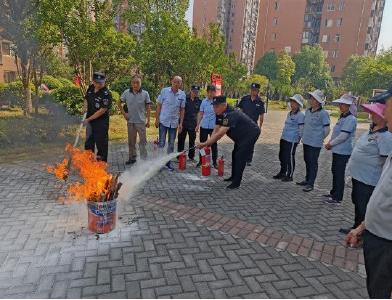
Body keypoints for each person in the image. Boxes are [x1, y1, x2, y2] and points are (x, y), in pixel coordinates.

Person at [345, 86, 392, 299]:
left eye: (386, 106)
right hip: (376, 234)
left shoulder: (387, 139)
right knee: (376, 289)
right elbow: (384, 192)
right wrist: (362, 228)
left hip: (387, 242)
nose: (379, 113)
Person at [341, 102, 392, 234]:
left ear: (383, 117)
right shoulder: (372, 130)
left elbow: (385, 160)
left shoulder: (386, 136)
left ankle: (362, 233)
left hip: (369, 179)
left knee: (364, 206)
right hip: (358, 176)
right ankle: (356, 227)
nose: (372, 115)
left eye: (375, 113)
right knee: (357, 203)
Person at [196, 96, 260, 189]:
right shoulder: (219, 112)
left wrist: (205, 144)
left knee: (240, 156)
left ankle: (236, 182)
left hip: (250, 134)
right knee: (235, 154)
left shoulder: (231, 114)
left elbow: (220, 133)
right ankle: (233, 177)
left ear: (223, 105)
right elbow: (216, 129)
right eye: (213, 106)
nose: (214, 109)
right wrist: (208, 142)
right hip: (240, 136)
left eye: (216, 107)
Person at [323, 94, 357, 204]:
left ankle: (337, 197)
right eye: (340, 104)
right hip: (338, 150)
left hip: (343, 151)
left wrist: (330, 144)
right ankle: (334, 192)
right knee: (335, 171)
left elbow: (343, 136)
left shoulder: (350, 119)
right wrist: (330, 143)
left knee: (339, 173)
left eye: (343, 104)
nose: (340, 106)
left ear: (349, 106)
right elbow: (336, 133)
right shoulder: (343, 116)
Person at [297, 89, 330, 192]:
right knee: (307, 160)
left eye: (313, 98)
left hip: (315, 143)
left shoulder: (323, 113)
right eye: (310, 98)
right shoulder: (308, 111)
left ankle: (311, 183)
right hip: (306, 141)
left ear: (318, 101)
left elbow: (327, 130)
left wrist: (319, 138)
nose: (310, 100)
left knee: (312, 162)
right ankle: (307, 180)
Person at [118, 75, 151, 165]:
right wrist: (124, 114)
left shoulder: (145, 93)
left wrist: (148, 120)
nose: (135, 84)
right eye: (134, 82)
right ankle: (132, 158)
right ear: (131, 83)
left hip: (141, 122)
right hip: (131, 121)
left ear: (141, 83)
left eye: (137, 83)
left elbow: (148, 108)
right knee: (131, 142)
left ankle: (144, 160)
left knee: (143, 142)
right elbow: (119, 103)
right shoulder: (126, 92)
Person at [155, 76, 186, 171]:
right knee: (161, 143)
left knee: (171, 144)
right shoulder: (164, 91)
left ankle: (168, 163)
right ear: (171, 82)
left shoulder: (182, 94)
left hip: (174, 123)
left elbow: (182, 109)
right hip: (163, 121)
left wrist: (181, 123)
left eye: (179, 82)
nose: (176, 84)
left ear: (181, 84)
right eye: (175, 82)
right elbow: (159, 105)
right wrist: (157, 119)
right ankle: (159, 164)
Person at [273, 94, 305, 182]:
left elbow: (301, 129)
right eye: (291, 102)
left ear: (298, 104)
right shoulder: (289, 113)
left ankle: (290, 175)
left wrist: (298, 139)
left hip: (292, 140)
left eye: (294, 102)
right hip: (284, 137)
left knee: (289, 157)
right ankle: (282, 172)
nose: (292, 104)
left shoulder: (300, 115)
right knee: (282, 156)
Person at [83, 72, 112, 162]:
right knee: (89, 143)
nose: (99, 84)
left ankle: (101, 166)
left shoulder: (106, 94)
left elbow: (102, 111)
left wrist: (88, 119)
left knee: (101, 144)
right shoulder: (91, 88)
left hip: (101, 123)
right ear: (93, 81)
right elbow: (86, 98)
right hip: (90, 122)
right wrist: (84, 106)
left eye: (101, 82)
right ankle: (89, 163)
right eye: (97, 82)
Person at [237, 83, 265, 165]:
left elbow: (261, 115)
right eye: (252, 90)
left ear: (258, 91)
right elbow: (240, 109)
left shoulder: (260, 102)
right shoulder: (245, 99)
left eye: (255, 90)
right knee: (240, 142)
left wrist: (260, 127)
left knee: (250, 143)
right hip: (243, 124)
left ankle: (248, 159)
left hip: (253, 126)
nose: (253, 91)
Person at [177, 85, 202, 162]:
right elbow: (180, 110)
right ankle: (179, 156)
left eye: (197, 92)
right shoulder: (184, 98)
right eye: (194, 91)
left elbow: (199, 114)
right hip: (183, 123)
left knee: (192, 141)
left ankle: (191, 156)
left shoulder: (199, 101)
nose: (195, 93)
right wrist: (180, 124)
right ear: (191, 90)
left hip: (193, 124)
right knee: (181, 140)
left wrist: (198, 125)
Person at [196, 85, 218, 168]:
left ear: (215, 92)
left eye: (213, 92)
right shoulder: (204, 102)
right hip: (204, 126)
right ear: (207, 92)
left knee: (214, 145)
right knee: (202, 144)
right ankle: (201, 161)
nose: (211, 94)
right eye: (209, 92)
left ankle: (215, 162)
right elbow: (201, 113)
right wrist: (197, 125)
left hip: (213, 127)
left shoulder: (217, 102)